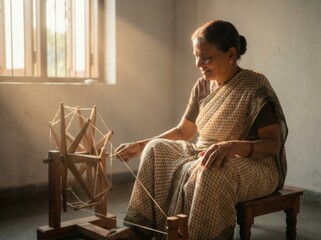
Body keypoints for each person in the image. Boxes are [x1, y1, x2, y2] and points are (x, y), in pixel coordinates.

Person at [108, 20, 288, 240]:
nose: (198, 64)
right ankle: (139, 229)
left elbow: (272, 144)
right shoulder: (202, 86)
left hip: (255, 165)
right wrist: (141, 144)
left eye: (206, 57)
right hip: (207, 152)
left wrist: (232, 146)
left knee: (210, 169)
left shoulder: (254, 86)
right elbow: (184, 132)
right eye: (196, 56)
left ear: (231, 54)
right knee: (156, 149)